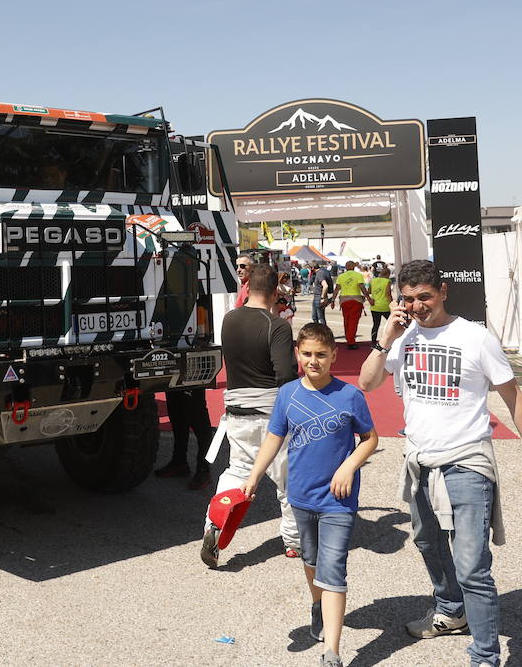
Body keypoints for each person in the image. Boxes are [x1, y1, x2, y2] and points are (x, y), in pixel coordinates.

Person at [358, 261, 522, 667]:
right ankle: (450, 610)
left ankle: (485, 656)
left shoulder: (475, 338)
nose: (417, 306)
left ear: (443, 291)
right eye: (408, 299)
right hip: (420, 461)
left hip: (467, 462)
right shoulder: (403, 336)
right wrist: (385, 337)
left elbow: (513, 398)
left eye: (424, 296)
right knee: (427, 541)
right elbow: (367, 383)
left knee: (472, 565)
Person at [243, 322, 377, 667]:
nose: (313, 361)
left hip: (338, 502)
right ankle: (317, 605)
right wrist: (254, 475)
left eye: (321, 354)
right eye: (307, 354)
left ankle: (331, 651)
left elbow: (371, 439)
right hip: (300, 497)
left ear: (334, 355)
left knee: (333, 569)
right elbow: (274, 437)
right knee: (311, 561)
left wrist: (349, 466)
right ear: (297, 355)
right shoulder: (288, 394)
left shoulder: (349, 396)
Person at [202, 264, 300, 566]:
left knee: (237, 472)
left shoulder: (229, 320)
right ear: (274, 291)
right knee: (288, 479)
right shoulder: (277, 325)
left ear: (248, 286)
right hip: (270, 411)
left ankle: (214, 526)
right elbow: (285, 373)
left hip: (236, 411)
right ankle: (295, 542)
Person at [156, 387, 215, 489]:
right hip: (173, 374)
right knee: (176, 413)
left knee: (198, 418)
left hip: (194, 375)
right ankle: (179, 461)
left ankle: (203, 469)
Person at [334, 261, 369, 350]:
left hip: (344, 300)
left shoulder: (341, 276)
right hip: (356, 300)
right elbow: (362, 287)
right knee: (353, 321)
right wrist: (368, 298)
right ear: (354, 266)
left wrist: (333, 300)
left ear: (346, 267)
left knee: (347, 320)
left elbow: (337, 289)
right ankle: (351, 341)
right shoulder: (358, 275)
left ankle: (348, 338)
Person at [368, 262, 393, 351]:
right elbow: (388, 294)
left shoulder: (373, 280)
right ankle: (391, 341)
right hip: (385, 306)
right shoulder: (387, 281)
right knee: (391, 323)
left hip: (375, 306)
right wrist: (392, 303)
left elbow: (369, 291)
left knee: (376, 324)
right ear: (388, 274)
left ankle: (373, 342)